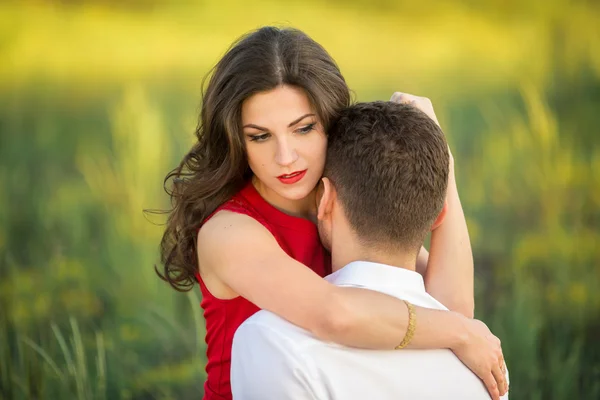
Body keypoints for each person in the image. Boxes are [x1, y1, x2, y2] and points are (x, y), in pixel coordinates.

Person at [157, 26, 507, 400]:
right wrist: (463, 333)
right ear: (235, 139)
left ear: (329, 121)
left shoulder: (341, 201)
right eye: (260, 136)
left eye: (303, 129)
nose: (285, 157)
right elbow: (334, 315)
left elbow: (447, 306)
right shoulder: (230, 231)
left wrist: (442, 161)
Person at [230, 101, 509, 399]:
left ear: (324, 199)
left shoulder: (271, 341)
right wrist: (444, 164)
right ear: (439, 216)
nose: (285, 158)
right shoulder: (485, 361)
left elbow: (336, 313)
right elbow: (457, 306)